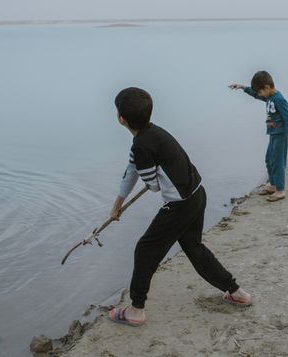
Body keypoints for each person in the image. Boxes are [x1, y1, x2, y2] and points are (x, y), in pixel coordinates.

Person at [108, 87, 252, 327]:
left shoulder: (142, 146)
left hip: (180, 205)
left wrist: (152, 172)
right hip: (197, 193)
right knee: (194, 248)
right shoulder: (153, 134)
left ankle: (135, 310)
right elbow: (132, 170)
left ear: (121, 119)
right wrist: (117, 206)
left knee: (144, 251)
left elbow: (153, 186)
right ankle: (237, 293)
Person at [228, 70, 288, 202]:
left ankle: (280, 190)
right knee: (268, 159)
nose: (259, 95)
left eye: (260, 91)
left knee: (277, 162)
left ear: (266, 87)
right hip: (273, 133)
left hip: (281, 135)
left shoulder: (279, 99)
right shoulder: (269, 96)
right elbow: (256, 95)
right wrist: (243, 87)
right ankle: (272, 185)